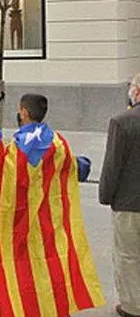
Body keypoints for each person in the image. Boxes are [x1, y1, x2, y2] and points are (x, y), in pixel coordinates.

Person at [0, 94, 103, 315]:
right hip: (52, 222)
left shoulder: (15, 148)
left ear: (24, 112)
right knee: (51, 271)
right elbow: (80, 168)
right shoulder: (59, 142)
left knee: (23, 276)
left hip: (22, 227)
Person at [101, 73, 140, 317]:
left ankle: (133, 306)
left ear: (136, 92)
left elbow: (112, 164)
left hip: (129, 201)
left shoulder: (122, 121)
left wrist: (106, 195)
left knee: (128, 256)